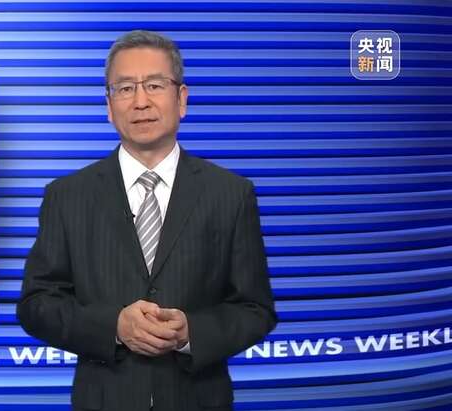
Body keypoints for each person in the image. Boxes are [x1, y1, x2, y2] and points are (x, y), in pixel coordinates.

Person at [17, 30, 277, 411]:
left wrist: (191, 333)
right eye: (125, 89)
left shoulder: (231, 194)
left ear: (182, 99)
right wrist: (114, 327)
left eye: (154, 85)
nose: (140, 101)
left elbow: (255, 310)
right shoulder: (67, 196)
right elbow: (36, 305)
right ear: (109, 106)